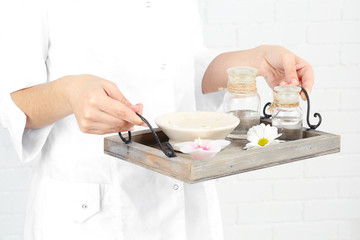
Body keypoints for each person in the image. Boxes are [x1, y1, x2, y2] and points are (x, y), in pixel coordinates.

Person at [0, 0, 313, 239]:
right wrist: (68, 92)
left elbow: (182, 70)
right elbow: (12, 101)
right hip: (95, 214)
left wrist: (252, 60)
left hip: (184, 200)